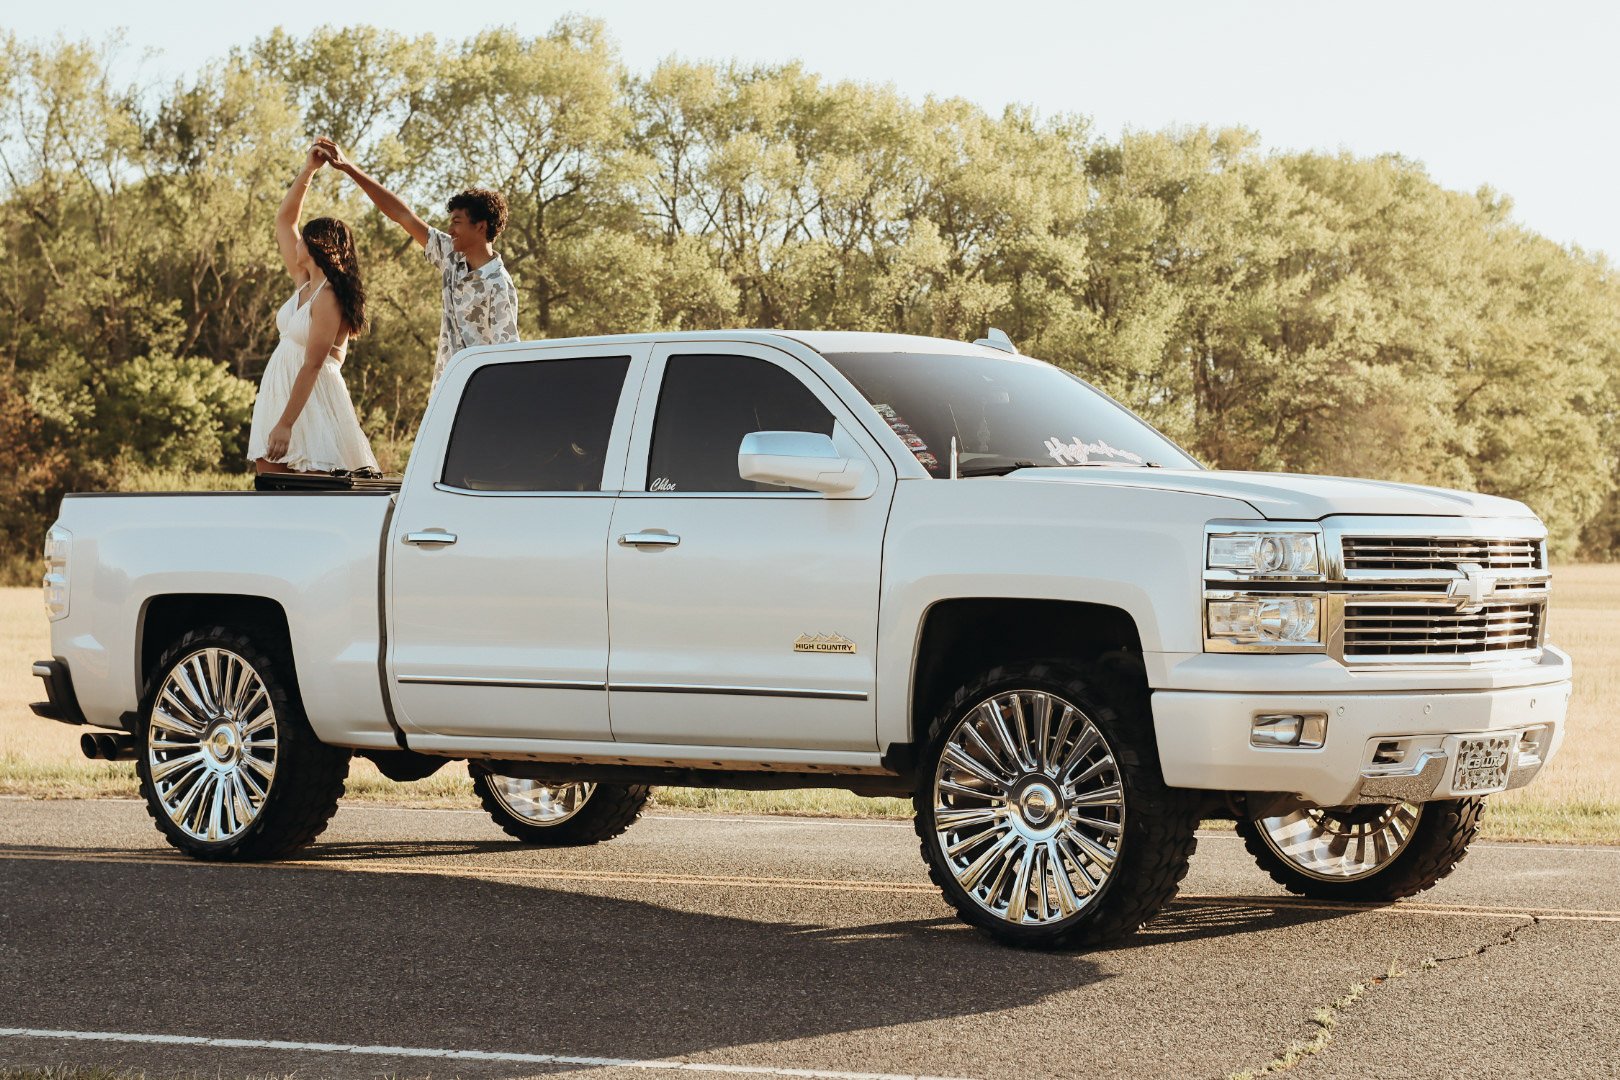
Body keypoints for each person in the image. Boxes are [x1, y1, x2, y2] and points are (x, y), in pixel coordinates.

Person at [314, 137, 519, 388]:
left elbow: (507, 356)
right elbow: (402, 215)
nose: (450, 230)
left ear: (480, 226)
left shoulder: (498, 284)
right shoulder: (451, 256)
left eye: (457, 222)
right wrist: (348, 167)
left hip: (479, 396)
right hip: (445, 390)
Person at [246, 146, 380, 475]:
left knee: (314, 489)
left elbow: (313, 364)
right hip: (278, 397)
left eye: (302, 239)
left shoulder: (328, 296)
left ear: (316, 246)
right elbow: (284, 220)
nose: (296, 243)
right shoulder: (304, 283)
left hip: (313, 404)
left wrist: (286, 424)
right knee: (271, 490)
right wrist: (309, 170)